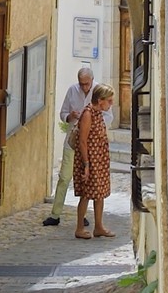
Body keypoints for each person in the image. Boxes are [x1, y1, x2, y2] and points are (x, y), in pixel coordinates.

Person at [42, 64, 94, 226]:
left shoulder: (98, 91)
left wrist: (90, 123)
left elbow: (108, 116)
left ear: (92, 80)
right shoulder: (72, 90)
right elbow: (63, 114)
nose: (84, 86)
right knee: (64, 177)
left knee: (85, 179)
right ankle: (55, 214)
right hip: (72, 141)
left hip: (90, 142)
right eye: (81, 83)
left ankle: (82, 215)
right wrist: (70, 116)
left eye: (86, 83)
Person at [72, 82, 114, 240]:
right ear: (100, 99)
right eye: (109, 101)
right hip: (89, 159)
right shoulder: (88, 114)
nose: (111, 104)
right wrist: (86, 165)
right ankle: (79, 228)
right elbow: (82, 141)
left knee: (100, 193)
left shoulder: (98, 113)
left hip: (99, 159)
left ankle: (99, 226)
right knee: (86, 193)